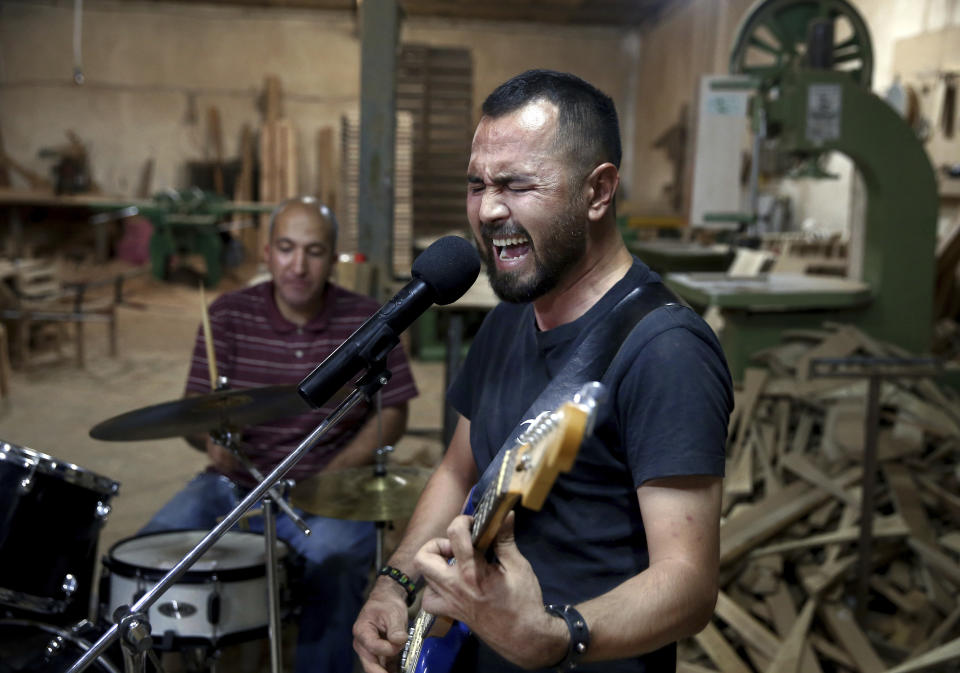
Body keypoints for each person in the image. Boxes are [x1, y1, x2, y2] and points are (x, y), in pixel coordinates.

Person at [352, 70, 733, 672]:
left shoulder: (667, 350)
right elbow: (459, 466)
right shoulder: (513, 315)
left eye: (517, 184)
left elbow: (688, 585)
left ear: (598, 191)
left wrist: (557, 635)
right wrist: (394, 582)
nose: (488, 209)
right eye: (477, 184)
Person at [141, 197, 418, 673]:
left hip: (327, 489)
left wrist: (336, 472)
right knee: (149, 550)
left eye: (314, 251)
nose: (298, 265)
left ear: (334, 259)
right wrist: (210, 441)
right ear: (266, 253)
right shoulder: (228, 314)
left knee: (335, 557)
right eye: (286, 249)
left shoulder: (370, 319)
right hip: (233, 485)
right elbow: (193, 416)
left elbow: (392, 412)